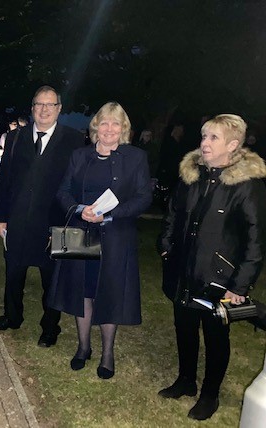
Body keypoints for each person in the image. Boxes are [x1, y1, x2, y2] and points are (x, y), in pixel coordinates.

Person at [157, 114, 266, 420]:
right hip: (184, 268)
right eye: (203, 136)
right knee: (185, 326)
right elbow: (173, 214)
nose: (204, 143)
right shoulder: (192, 175)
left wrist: (239, 286)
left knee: (216, 336)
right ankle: (186, 380)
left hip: (219, 277)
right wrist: (166, 247)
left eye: (213, 138)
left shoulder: (247, 186)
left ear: (233, 144)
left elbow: (255, 242)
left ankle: (210, 395)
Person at [47, 102, 153, 379]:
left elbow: (144, 197)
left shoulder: (136, 157)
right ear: (96, 126)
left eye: (115, 124)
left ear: (124, 129)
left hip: (115, 235)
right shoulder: (79, 156)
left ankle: (107, 353)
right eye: (104, 123)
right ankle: (83, 347)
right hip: (82, 231)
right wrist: (81, 210)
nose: (109, 129)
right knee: (82, 290)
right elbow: (63, 191)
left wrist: (110, 214)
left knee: (109, 291)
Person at [0, 85, 85, 347]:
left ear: (59, 109)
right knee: (13, 274)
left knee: (52, 280)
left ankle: (50, 328)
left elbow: (76, 185)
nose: (44, 109)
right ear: (32, 108)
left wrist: (70, 224)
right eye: (39, 104)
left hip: (53, 223)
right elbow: (4, 181)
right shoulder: (15, 138)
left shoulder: (74, 140)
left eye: (50, 105)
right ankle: (12, 317)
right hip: (18, 220)